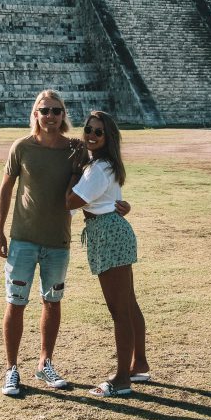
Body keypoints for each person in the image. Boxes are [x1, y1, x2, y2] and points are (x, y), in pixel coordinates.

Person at [0, 90, 83, 396]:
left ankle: (45, 363)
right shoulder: (22, 147)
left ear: (63, 115)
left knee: (52, 302)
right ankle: (11, 369)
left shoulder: (75, 149)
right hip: (23, 240)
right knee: (15, 303)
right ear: (35, 114)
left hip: (58, 241)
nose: (50, 116)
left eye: (56, 111)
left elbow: (98, 180)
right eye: (44, 110)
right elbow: (5, 189)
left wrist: (118, 205)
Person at [66, 111, 150, 398]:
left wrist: (75, 169)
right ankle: (138, 364)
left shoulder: (97, 168)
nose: (90, 134)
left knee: (119, 310)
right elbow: (109, 200)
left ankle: (122, 377)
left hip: (107, 233)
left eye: (98, 131)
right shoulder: (104, 164)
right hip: (112, 230)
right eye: (88, 128)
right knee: (128, 304)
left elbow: (70, 202)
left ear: (108, 137)